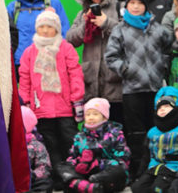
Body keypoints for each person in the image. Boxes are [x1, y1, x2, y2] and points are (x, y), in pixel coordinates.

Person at [105, 0, 174, 180]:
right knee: (136, 134)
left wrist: (164, 66)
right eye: (132, 3)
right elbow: (111, 57)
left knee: (157, 130)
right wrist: (126, 69)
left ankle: (158, 169)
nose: (135, 7)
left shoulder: (157, 28)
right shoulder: (120, 29)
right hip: (132, 90)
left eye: (139, 3)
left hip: (155, 89)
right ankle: (138, 171)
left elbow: (170, 48)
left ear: (145, 5)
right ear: (127, 6)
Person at [18, 10, 85, 183]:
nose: (46, 30)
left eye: (50, 27)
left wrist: (77, 98)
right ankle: (57, 175)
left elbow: (75, 73)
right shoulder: (29, 52)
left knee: (69, 140)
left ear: (57, 28)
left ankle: (73, 174)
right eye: (42, 27)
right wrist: (24, 101)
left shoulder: (66, 48)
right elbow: (24, 78)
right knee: (49, 143)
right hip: (40, 108)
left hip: (64, 107)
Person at [67, 0, 123, 120]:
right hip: (91, 79)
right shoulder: (82, 13)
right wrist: (85, 25)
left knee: (116, 125)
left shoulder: (118, 9)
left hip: (114, 81)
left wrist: (106, 23)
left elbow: (126, 35)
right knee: (94, 126)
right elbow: (70, 39)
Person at [56, 98, 130, 193]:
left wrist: (97, 164)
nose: (91, 117)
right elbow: (72, 156)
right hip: (84, 173)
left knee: (118, 171)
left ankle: (84, 185)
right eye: (88, 114)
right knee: (61, 167)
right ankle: (88, 187)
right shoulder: (80, 136)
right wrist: (80, 163)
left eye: (95, 114)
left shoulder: (115, 133)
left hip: (106, 172)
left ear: (104, 117)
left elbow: (123, 160)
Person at [8, 0, 71, 67]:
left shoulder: (53, 3)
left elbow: (64, 32)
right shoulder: (13, 7)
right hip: (20, 63)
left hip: (48, 61)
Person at [131, 87, 178, 193]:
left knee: (157, 189)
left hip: (173, 169)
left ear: (176, 108)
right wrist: (140, 174)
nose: (162, 109)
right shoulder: (153, 132)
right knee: (137, 188)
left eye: (166, 106)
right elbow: (146, 155)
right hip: (154, 167)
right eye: (159, 107)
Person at [21, 105, 54, 193]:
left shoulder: (36, 145)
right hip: (13, 180)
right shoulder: (9, 144)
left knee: (46, 183)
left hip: (31, 180)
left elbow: (44, 166)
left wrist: (33, 175)